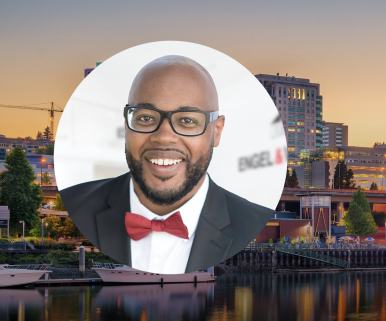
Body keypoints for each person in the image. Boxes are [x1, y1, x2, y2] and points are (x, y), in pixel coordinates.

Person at [61, 55, 273, 274]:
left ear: (216, 132)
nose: (163, 137)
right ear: (126, 126)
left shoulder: (253, 220)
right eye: (145, 118)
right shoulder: (76, 202)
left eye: (187, 120)